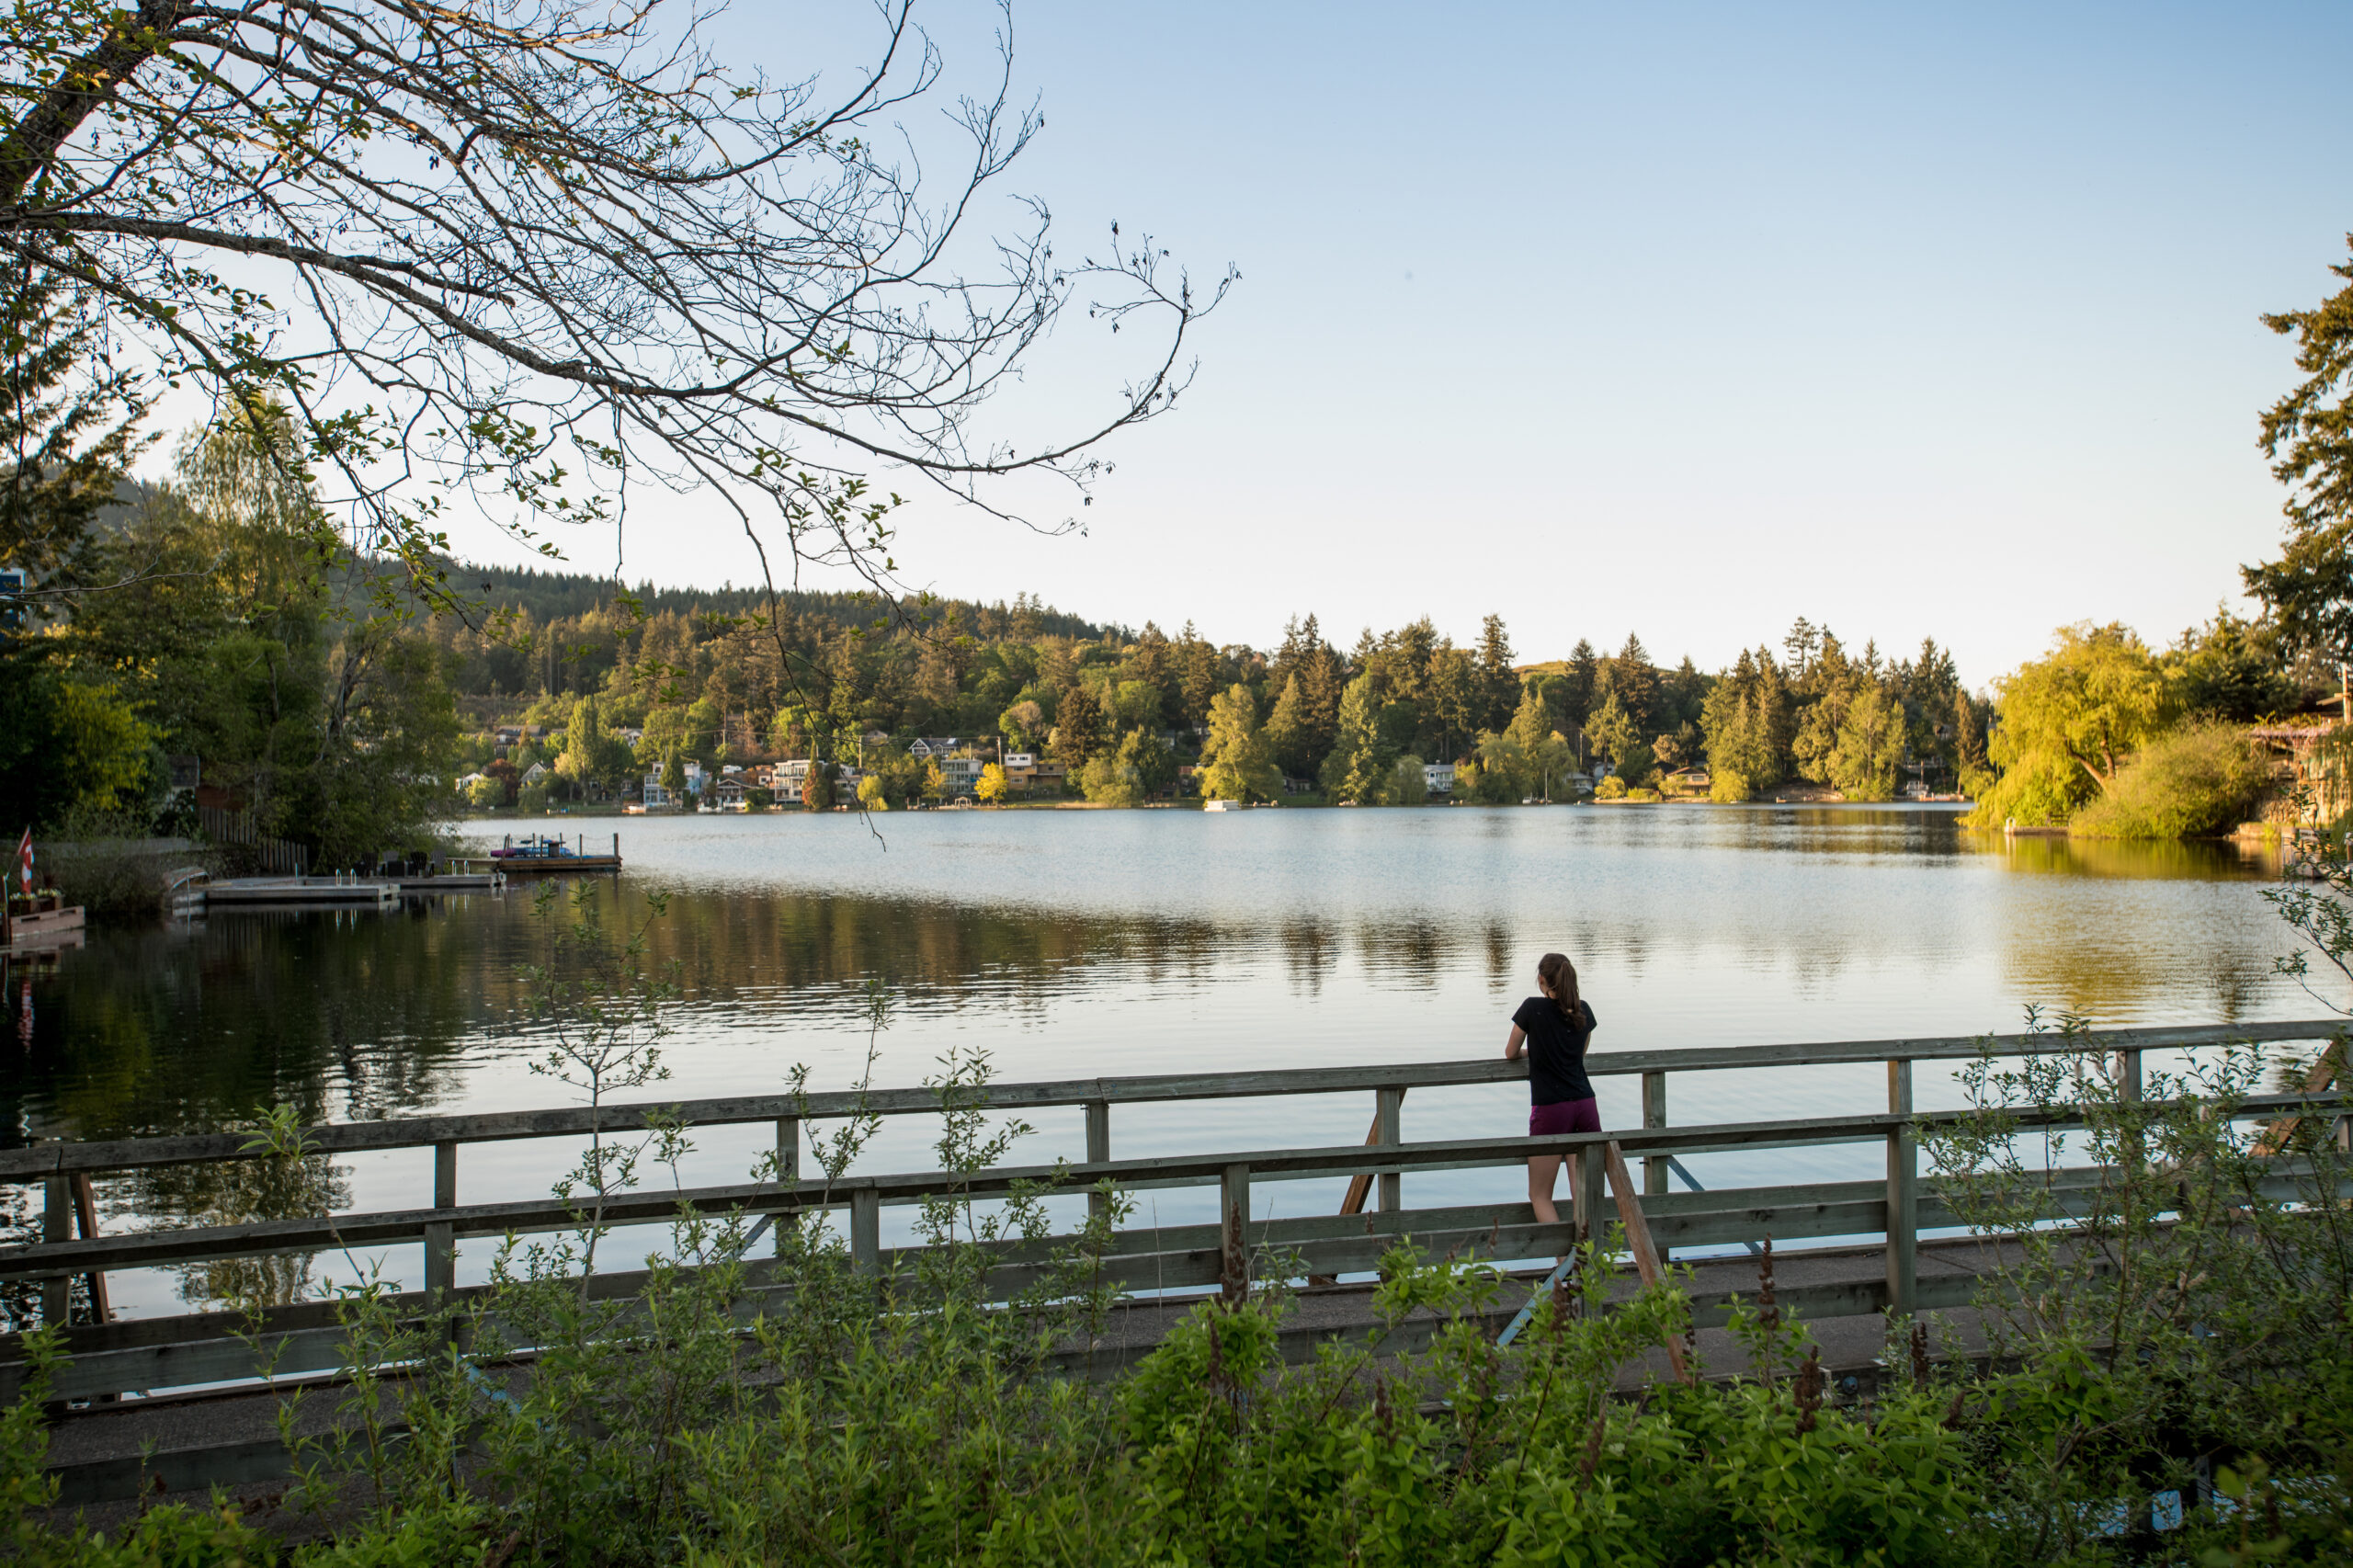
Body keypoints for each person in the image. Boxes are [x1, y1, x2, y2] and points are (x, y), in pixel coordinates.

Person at [1504, 951, 1598, 1251]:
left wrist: (1531, 1054)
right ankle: (1588, 1266)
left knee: (1540, 1195)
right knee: (1582, 1193)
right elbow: (1577, 1055)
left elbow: (1510, 1052)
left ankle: (1564, 1270)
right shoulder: (1583, 1011)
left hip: (1551, 1108)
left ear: (1542, 979)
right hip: (1585, 1105)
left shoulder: (1532, 1008)